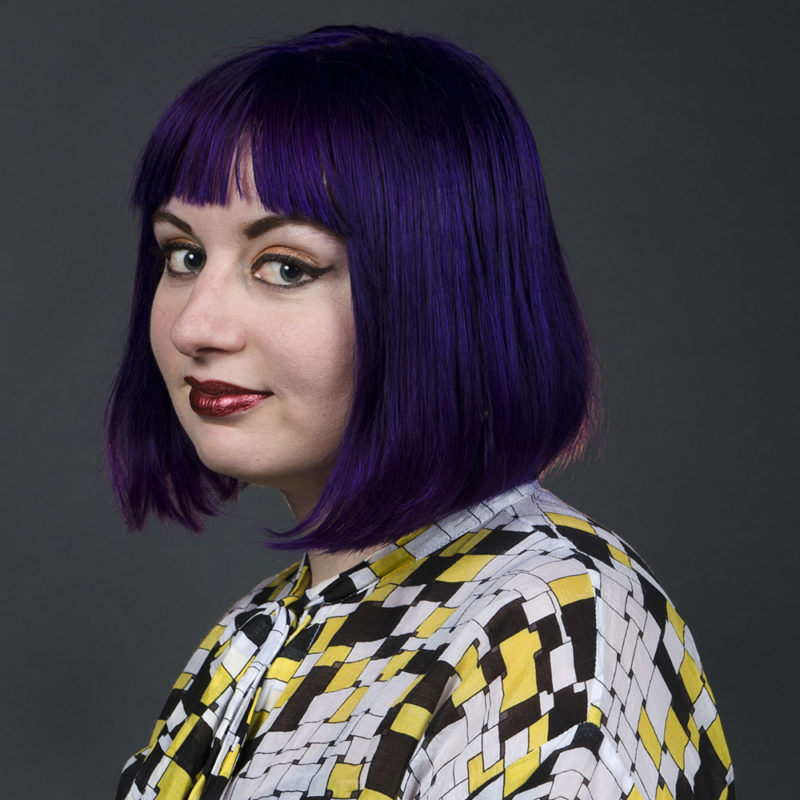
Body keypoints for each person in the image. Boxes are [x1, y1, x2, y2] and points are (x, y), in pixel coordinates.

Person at [107, 25, 734, 800]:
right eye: (184, 255)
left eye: (285, 267)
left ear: (438, 293)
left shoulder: (548, 622)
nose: (195, 326)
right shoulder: (251, 638)